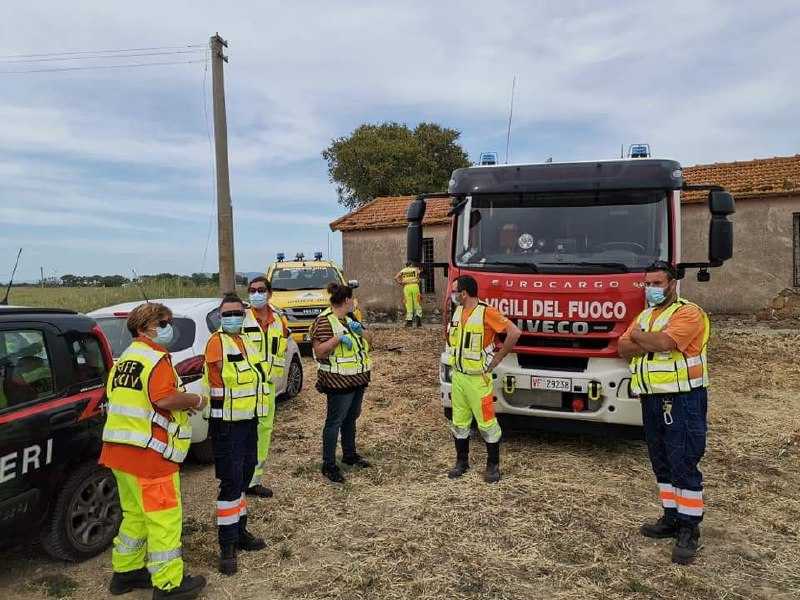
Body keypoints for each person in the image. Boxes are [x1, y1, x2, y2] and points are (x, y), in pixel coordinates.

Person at [100, 302, 206, 599]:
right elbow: (164, 398)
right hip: (150, 456)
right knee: (164, 519)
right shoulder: (156, 358)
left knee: (135, 515)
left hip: (119, 452)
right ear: (146, 327)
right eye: (164, 323)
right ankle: (169, 584)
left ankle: (126, 572)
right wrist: (194, 401)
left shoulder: (124, 360)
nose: (169, 328)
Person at [618, 261, 710, 565]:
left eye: (657, 283)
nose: (651, 289)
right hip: (652, 399)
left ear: (672, 284)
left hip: (683, 399)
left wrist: (641, 338)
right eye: (647, 284)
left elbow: (666, 342)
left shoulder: (688, 313)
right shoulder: (645, 316)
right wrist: (645, 341)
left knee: (683, 461)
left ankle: (689, 528)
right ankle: (671, 518)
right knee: (661, 461)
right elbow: (622, 348)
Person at [203, 293, 269, 575]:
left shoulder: (245, 341)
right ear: (220, 316)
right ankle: (227, 545)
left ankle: (240, 532)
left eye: (237, 313)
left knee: (243, 477)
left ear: (244, 315)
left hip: (248, 421)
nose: (232, 317)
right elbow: (219, 373)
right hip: (227, 425)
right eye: (227, 313)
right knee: (231, 483)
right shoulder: (217, 342)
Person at [445, 275, 521, 483]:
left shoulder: (486, 312)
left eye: (454, 291)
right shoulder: (458, 311)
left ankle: (493, 465)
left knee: (487, 424)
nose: (452, 295)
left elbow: (514, 332)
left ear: (464, 293)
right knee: (459, 423)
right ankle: (461, 462)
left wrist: (498, 358)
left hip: (478, 380)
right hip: (459, 377)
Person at [311, 282, 373, 483]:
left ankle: (350, 455)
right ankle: (328, 465)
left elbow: (370, 340)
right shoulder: (324, 321)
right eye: (352, 299)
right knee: (334, 422)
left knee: (351, 418)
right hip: (337, 382)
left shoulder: (350, 318)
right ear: (346, 300)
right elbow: (320, 351)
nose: (354, 302)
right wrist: (337, 339)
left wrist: (360, 331)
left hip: (357, 379)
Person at [242, 276, 290, 498]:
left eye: (261, 290)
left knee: (263, 434)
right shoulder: (240, 318)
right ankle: (239, 478)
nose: (256, 294)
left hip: (267, 388)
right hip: (243, 388)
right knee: (242, 434)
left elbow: (281, 347)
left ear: (269, 293)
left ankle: (254, 481)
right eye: (252, 290)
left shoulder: (279, 320)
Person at [394, 261, 423, 328]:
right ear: (411, 265)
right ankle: (418, 322)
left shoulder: (403, 270)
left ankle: (409, 322)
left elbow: (395, 278)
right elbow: (420, 275)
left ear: (406, 265)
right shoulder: (415, 269)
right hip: (415, 286)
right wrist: (418, 280)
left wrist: (400, 283)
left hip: (406, 287)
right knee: (417, 303)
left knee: (408, 304)